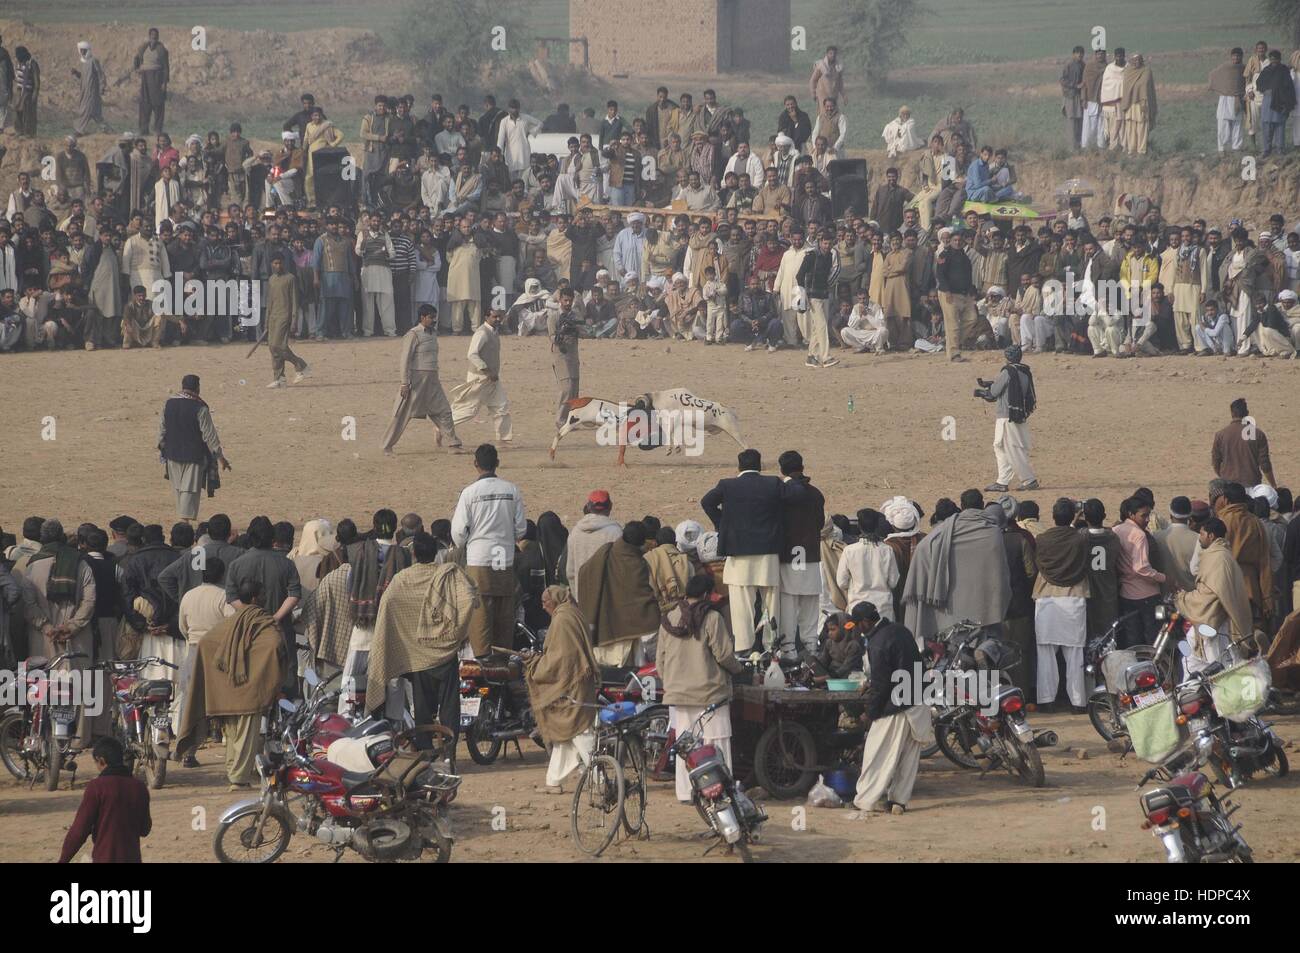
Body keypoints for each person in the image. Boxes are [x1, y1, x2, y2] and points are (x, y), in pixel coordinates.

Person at [366, 532, 477, 746]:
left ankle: (425, 754)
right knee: (449, 709)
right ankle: (449, 754)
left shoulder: (403, 579)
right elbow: (469, 598)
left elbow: (388, 606)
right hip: (445, 654)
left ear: (414, 553)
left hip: (417, 658)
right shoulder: (451, 576)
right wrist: (457, 632)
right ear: (436, 553)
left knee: (423, 711)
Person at [176, 579, 286, 790]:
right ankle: (238, 779)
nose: (265, 597)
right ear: (255, 598)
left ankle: (233, 773)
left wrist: (217, 679)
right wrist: (262, 674)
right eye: (262, 593)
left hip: (225, 691)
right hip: (249, 691)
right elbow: (274, 645)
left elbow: (207, 642)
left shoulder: (230, 621)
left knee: (233, 734)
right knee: (245, 738)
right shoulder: (261, 621)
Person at [701, 449, 807, 652]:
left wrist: (723, 524)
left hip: (738, 553)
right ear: (760, 466)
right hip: (767, 553)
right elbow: (798, 494)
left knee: (742, 607)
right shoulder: (772, 483)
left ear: (739, 467)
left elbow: (707, 502)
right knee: (771, 603)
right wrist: (793, 477)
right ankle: (771, 646)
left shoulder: (727, 485)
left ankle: (744, 648)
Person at [658, 574, 742, 802]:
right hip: (711, 693)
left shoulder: (669, 618)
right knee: (717, 741)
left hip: (679, 695)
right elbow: (724, 655)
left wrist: (672, 684)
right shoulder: (712, 617)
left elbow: (660, 661)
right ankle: (721, 791)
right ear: (707, 594)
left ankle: (686, 793)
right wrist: (738, 670)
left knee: (687, 745)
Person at [20, 519, 97, 745]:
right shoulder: (81, 564)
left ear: (42, 539)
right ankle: (80, 739)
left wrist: (46, 627)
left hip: (43, 638)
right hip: (76, 637)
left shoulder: (32, 566)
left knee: (41, 689)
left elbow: (28, 604)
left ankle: (42, 739)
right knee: (80, 689)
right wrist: (72, 626)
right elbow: (89, 600)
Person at [901, 491, 1010, 646]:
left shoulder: (944, 530)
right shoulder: (993, 533)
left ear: (962, 506)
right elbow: (1001, 575)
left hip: (947, 611)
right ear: (981, 505)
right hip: (984, 609)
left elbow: (923, 549)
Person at [852, 602, 928, 815]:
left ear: (866, 622)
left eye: (858, 625)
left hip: (897, 705)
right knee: (908, 757)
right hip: (918, 700)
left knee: (877, 754)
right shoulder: (899, 629)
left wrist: (871, 713)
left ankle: (865, 800)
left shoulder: (877, 643)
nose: (857, 630)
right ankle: (898, 801)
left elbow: (882, 685)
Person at [451, 444, 526, 657]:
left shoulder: (469, 493)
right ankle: (502, 658)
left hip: (479, 558)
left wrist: (466, 544)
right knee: (504, 609)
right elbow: (521, 529)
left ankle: (483, 658)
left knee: (480, 610)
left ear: (476, 465)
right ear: (497, 464)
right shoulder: (512, 490)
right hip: (504, 558)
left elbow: (458, 532)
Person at [525, 585, 599, 793]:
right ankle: (554, 781)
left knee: (581, 732)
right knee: (567, 734)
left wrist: (537, 665)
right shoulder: (572, 613)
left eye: (545, 602)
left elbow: (562, 658)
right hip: (578, 682)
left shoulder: (562, 620)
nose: (543, 606)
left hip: (572, 683)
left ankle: (600, 780)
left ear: (554, 601)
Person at [225, 517, 302, 697]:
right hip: (281, 630)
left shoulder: (237, 564)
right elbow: (294, 595)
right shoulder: (287, 563)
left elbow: (231, 597)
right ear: (271, 537)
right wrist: (274, 618)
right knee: (286, 682)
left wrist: (251, 614)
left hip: (249, 631)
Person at [1032, 499, 1090, 712]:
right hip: (1074, 599)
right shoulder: (1081, 540)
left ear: (1054, 516)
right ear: (1072, 517)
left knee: (1046, 654)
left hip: (1046, 600)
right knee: (1075, 655)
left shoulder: (1042, 539)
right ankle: (1077, 702)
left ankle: (1047, 701)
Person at [577, 522, 661, 667]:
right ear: (640, 544)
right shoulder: (636, 563)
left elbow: (584, 572)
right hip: (629, 633)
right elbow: (644, 597)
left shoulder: (607, 551)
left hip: (604, 624)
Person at [56, 737, 151, 863]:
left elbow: (79, 831)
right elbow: (145, 829)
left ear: (101, 761)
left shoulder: (97, 787)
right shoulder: (139, 787)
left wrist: (63, 860)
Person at [382, 304, 462, 455]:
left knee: (443, 410)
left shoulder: (433, 334)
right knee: (402, 414)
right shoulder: (413, 334)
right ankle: (387, 445)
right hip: (416, 381)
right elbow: (405, 360)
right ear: (422, 317)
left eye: (435, 318)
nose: (434, 321)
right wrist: (405, 383)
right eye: (431, 318)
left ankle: (453, 443)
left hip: (432, 380)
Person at [1175, 518, 1253, 671]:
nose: (1199, 537)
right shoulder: (1218, 554)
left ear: (1211, 536)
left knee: (1215, 668)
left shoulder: (1218, 558)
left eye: (1202, 534)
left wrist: (1184, 598)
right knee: (1192, 663)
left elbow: (1210, 595)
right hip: (1211, 624)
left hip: (1213, 625)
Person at [158, 375, 230, 522]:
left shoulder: (169, 403)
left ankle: (182, 522)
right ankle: (184, 524)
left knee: (178, 488)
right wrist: (221, 458)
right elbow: (210, 436)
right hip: (193, 456)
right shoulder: (200, 407)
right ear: (197, 388)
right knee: (189, 491)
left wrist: (163, 449)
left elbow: (162, 430)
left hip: (172, 454)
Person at [776, 451, 826, 658]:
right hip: (811, 558)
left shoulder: (781, 492)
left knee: (788, 606)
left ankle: (789, 651)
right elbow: (820, 523)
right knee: (810, 608)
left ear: (781, 470)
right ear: (802, 467)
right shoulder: (815, 493)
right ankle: (812, 651)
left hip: (788, 558)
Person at [979, 345, 1038, 493]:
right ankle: (1002, 481)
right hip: (1018, 414)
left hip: (1006, 416)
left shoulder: (1008, 371)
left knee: (1012, 449)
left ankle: (1029, 479)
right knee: (1000, 446)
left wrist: (983, 391)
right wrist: (991, 384)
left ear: (1007, 357)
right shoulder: (1024, 371)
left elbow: (994, 392)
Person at [451, 307, 512, 443]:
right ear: (486, 318)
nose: (497, 319)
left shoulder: (494, 332)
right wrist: (486, 370)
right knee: (469, 410)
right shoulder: (482, 333)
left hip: (493, 379)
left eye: (499, 317)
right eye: (494, 317)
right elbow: (472, 354)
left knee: (501, 407)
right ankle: (442, 427)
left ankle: (504, 440)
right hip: (479, 378)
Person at [1113, 496, 1167, 648]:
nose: (1148, 519)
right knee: (1153, 638)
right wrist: (1162, 578)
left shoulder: (1116, 530)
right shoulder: (1140, 535)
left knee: (1132, 639)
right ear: (1131, 514)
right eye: (1144, 515)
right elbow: (1141, 568)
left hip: (1126, 594)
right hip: (1147, 596)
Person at [837, 510, 901, 622]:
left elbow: (842, 582)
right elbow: (893, 581)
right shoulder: (887, 550)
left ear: (859, 527)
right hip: (883, 610)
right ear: (876, 526)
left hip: (857, 609)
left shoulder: (849, 551)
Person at [264, 255, 310, 388]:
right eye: (275, 263)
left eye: (280, 263)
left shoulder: (290, 278)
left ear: (283, 263)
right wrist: (266, 321)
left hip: (285, 316)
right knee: (272, 347)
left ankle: (301, 366)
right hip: (273, 317)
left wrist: (294, 320)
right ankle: (279, 378)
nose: (278, 266)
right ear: (272, 264)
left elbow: (295, 301)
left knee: (280, 346)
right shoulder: (271, 279)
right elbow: (269, 302)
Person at [1211, 398, 1275, 488]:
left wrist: (1224, 477)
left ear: (1232, 413)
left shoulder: (1220, 435)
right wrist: (1273, 485)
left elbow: (1215, 462)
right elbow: (1265, 464)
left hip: (1229, 486)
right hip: (1252, 484)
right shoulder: (1258, 434)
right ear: (1247, 413)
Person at [548, 287, 582, 430]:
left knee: (574, 389)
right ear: (560, 300)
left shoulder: (575, 315)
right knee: (566, 388)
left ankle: (570, 420)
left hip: (573, 355)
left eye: (570, 300)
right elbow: (552, 337)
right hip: (560, 355)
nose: (568, 303)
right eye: (565, 300)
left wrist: (576, 328)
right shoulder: (554, 316)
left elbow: (582, 330)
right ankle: (560, 420)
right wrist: (561, 332)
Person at [133, 28, 169, 134]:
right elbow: (136, 59)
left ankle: (158, 129)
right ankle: (144, 130)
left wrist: (164, 83)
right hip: (145, 78)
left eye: (155, 35)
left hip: (157, 77)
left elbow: (166, 67)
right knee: (144, 103)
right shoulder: (143, 47)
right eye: (152, 34)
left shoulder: (162, 49)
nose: (154, 37)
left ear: (158, 37)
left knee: (158, 104)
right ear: (149, 36)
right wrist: (137, 68)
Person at [1210, 49, 1247, 152]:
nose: (1236, 58)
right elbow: (1213, 75)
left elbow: (1248, 81)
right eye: (1234, 56)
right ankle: (1222, 149)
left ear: (1241, 57)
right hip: (1225, 99)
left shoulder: (1244, 68)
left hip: (1238, 99)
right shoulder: (1225, 67)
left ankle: (1237, 148)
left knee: (1237, 124)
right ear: (1231, 56)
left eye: (1238, 56)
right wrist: (1220, 88)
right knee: (1223, 124)